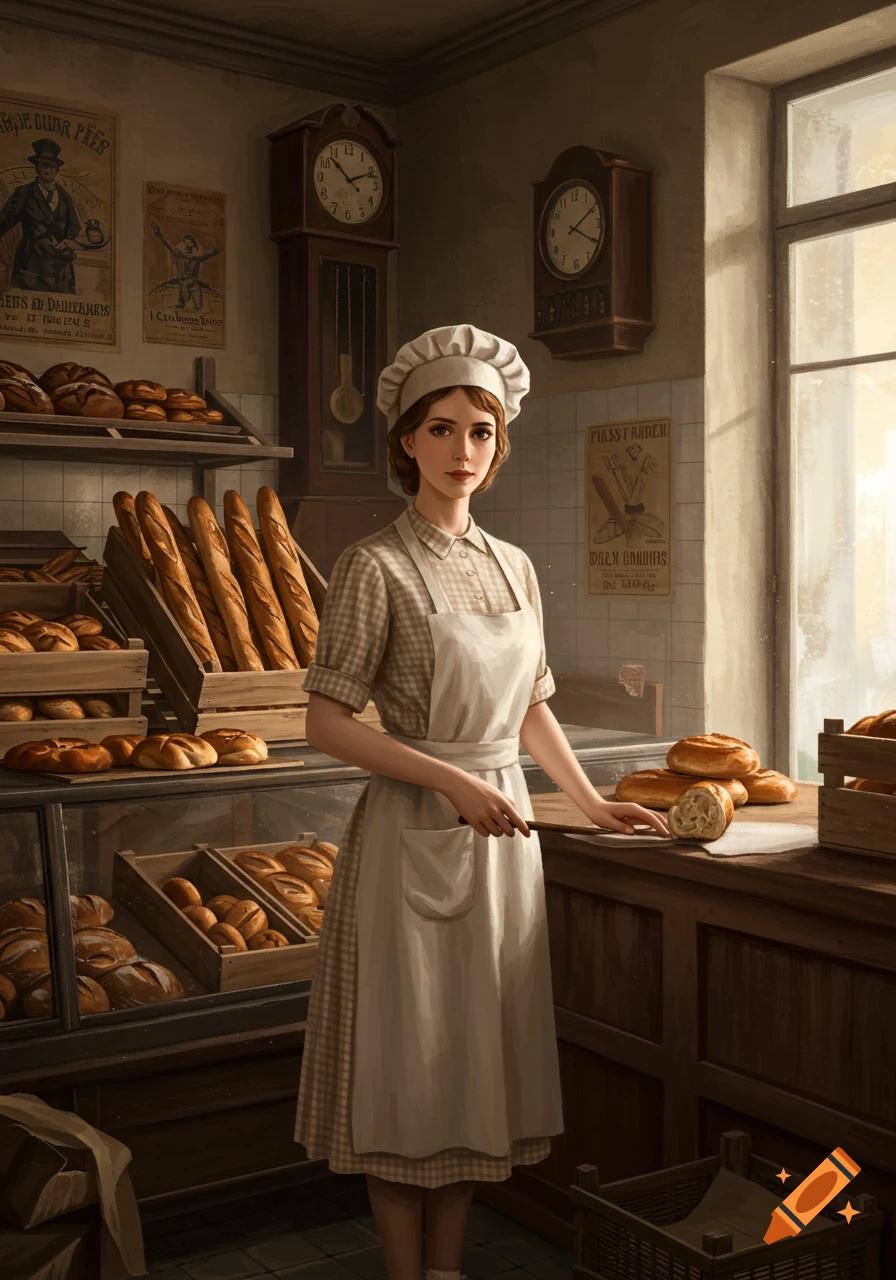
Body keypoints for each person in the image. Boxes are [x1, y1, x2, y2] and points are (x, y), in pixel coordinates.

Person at [295, 324, 671, 1280]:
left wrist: (588, 800)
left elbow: (532, 704)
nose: (464, 451)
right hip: (412, 837)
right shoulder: (372, 567)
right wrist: (454, 781)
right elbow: (327, 725)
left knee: (470, 1066)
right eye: (443, 429)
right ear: (406, 443)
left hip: (503, 838)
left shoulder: (515, 565)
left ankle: (447, 1271)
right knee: (408, 1062)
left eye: (482, 433)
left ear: (498, 449)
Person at [0, 139, 80, 293]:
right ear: (37, 168)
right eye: (44, 166)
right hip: (31, 260)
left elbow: (74, 226)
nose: (47, 171)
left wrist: (63, 242)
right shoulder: (23, 194)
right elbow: (4, 221)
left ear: (57, 170)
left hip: (60, 266)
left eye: (51, 167)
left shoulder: (64, 197)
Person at [149, 223, 221, 310]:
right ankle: (182, 302)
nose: (187, 247)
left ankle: (185, 300)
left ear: (193, 246)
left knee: (199, 307)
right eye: (185, 244)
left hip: (194, 284)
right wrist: (158, 233)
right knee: (184, 284)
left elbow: (208, 255)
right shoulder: (179, 256)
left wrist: (216, 251)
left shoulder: (196, 259)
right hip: (183, 282)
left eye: (189, 244)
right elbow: (168, 244)